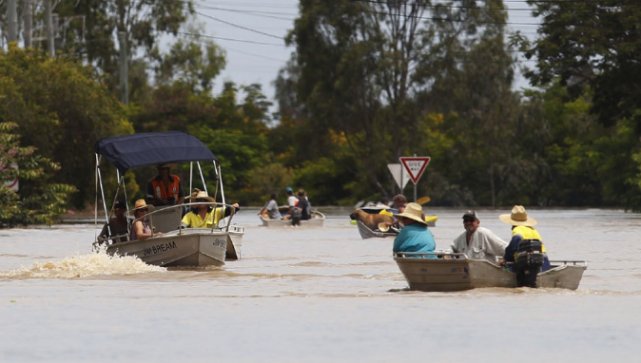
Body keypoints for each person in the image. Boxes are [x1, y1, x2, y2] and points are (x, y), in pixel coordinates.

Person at [498, 205, 551, 288]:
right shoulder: (533, 230)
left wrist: (505, 258)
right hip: (543, 261)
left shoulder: (517, 229)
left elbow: (516, 240)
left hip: (527, 263)